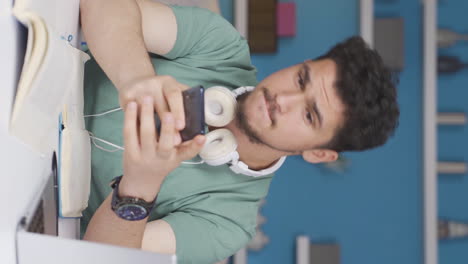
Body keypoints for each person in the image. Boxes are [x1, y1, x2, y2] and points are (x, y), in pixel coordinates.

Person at [79, 1, 399, 263]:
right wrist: (136, 78)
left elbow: (102, 258)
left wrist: (139, 186)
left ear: (318, 153)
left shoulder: (230, 223)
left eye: (309, 114)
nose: (283, 100)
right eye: (302, 80)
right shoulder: (222, 44)